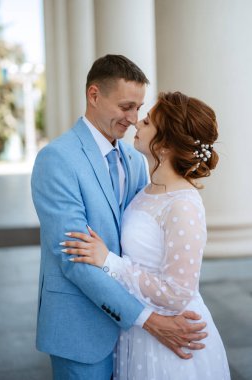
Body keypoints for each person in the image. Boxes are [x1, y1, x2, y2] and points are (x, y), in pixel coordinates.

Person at [31, 55, 207, 380]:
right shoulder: (56, 159)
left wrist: (145, 321)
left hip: (135, 337)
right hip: (84, 331)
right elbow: (75, 259)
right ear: (94, 95)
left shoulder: (135, 158)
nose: (133, 118)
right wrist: (150, 321)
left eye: (139, 109)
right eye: (126, 107)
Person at [62, 91, 231, 379]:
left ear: (164, 146)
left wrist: (109, 261)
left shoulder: (183, 204)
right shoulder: (147, 189)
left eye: (149, 121)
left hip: (174, 340)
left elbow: (177, 293)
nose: (138, 122)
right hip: (139, 332)